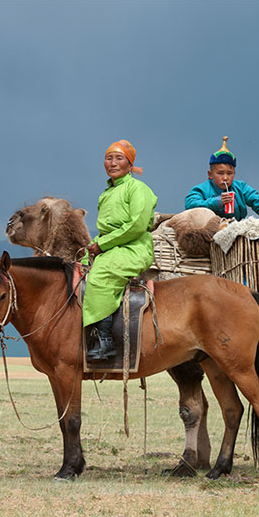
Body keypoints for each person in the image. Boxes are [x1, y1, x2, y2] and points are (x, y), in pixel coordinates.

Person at [82, 139, 158, 360]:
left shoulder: (138, 189)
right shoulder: (106, 193)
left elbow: (136, 225)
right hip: (111, 245)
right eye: (109, 158)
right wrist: (90, 251)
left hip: (134, 247)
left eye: (119, 158)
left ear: (130, 163)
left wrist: (102, 245)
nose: (113, 163)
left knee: (101, 273)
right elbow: (106, 230)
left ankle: (105, 341)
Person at [185, 136, 259, 221]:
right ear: (210, 175)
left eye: (229, 173)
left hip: (237, 226)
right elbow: (190, 205)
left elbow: (258, 201)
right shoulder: (201, 190)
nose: (225, 178)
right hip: (210, 227)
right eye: (220, 173)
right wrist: (218, 201)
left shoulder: (241, 187)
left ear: (234, 173)